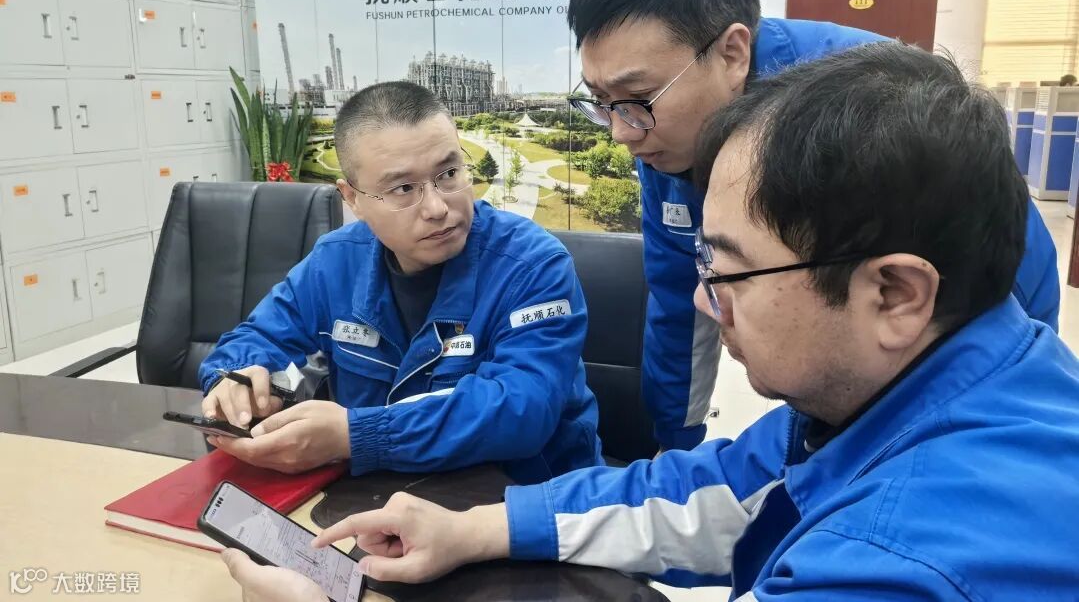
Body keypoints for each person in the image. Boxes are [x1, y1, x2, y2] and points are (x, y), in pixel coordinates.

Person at [221, 43, 1079, 601]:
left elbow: (521, 407)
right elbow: (705, 491)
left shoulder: (899, 561)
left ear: (892, 293)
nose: (703, 302)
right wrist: (471, 528)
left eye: (730, 269)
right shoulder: (901, 395)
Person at [565, 0, 1062, 452]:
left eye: (638, 96)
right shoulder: (662, 136)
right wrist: (674, 441)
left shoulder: (866, 105)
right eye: (602, 101)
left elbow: (985, 289)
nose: (621, 132)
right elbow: (678, 299)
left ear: (733, 54)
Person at [197, 82, 603, 484]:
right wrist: (235, 380)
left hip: (525, 500)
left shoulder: (533, 265)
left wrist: (356, 435)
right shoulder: (335, 262)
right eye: (404, 188)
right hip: (379, 496)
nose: (437, 207)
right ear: (352, 198)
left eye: (449, 173)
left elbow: (522, 409)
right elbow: (256, 337)